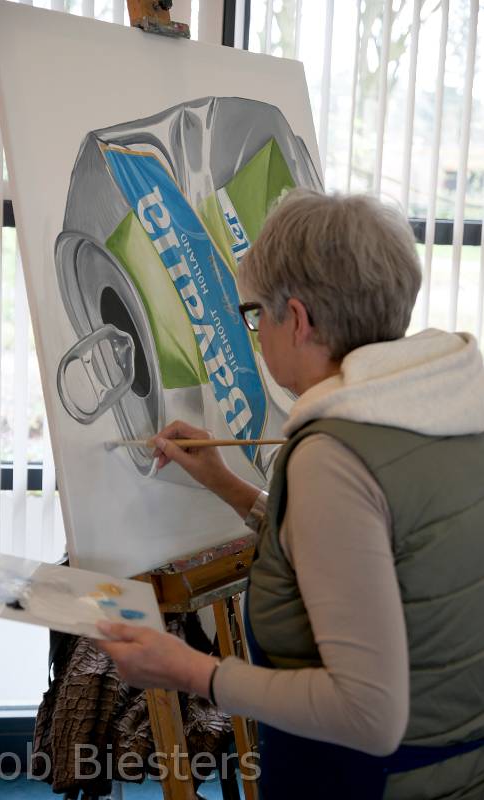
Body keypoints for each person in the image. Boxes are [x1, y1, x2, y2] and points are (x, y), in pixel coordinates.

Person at [98, 189, 484, 799]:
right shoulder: (447, 405)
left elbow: (367, 712)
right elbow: (383, 549)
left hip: (367, 783)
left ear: (297, 320)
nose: (255, 332)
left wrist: (191, 670)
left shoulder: (335, 455)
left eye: (255, 315)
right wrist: (230, 487)